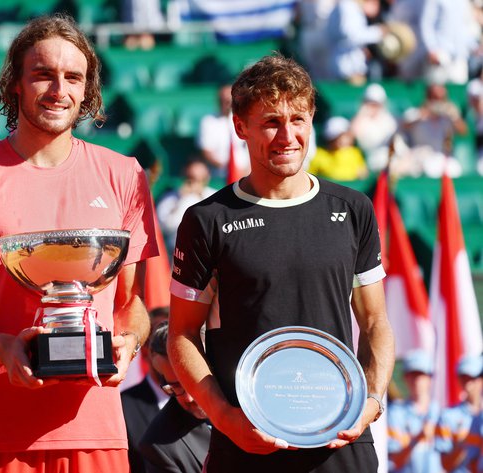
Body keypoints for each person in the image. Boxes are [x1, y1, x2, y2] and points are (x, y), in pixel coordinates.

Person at [0, 13, 158, 473]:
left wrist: (129, 341)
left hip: (98, 430)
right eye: (43, 75)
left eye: (72, 77)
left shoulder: (124, 175)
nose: (58, 90)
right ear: (15, 85)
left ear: (87, 90)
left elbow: (131, 303)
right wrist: (0, 348)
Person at [167, 54, 394, 471]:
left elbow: (376, 323)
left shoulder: (353, 209)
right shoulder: (207, 220)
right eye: (271, 121)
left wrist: (373, 402)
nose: (287, 136)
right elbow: (181, 334)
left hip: (341, 441)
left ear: (311, 121)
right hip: (247, 443)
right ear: (240, 127)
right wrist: (225, 418)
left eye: (298, 120)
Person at [139, 321, 210, 473]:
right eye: (176, 387)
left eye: (193, 382)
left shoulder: (254, 400)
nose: (189, 398)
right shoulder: (159, 446)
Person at [121, 307, 171, 473]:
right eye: (159, 340)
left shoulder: (209, 398)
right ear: (144, 350)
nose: (169, 349)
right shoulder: (123, 407)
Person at [387, 349, 442, 473]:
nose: (416, 380)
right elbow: (395, 460)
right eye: (412, 375)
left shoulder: (441, 413)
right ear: (405, 377)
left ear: (430, 377)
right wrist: (417, 438)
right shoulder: (394, 413)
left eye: (421, 375)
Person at [398, 81, 468, 177]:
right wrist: (423, 113)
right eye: (434, 97)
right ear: (428, 97)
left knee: (454, 169)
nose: (438, 102)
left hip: (442, 157)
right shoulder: (416, 113)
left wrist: (454, 116)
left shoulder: (448, 117)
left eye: (441, 99)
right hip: (420, 157)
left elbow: (464, 131)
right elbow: (404, 125)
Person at [156, 159, 216, 257]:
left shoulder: (214, 196)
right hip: (178, 253)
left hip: (207, 252)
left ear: (207, 178)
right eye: (190, 178)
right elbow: (164, 226)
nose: (194, 183)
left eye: (199, 179)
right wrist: (181, 199)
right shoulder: (170, 198)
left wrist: (200, 196)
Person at [435, 354, 483, 473]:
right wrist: (464, 445)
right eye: (464, 378)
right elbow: (445, 464)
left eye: (472, 378)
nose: (468, 384)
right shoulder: (447, 416)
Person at [196, 83, 249, 181]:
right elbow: (206, 151)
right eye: (223, 100)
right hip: (219, 174)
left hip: (246, 173)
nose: (227, 104)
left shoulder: (243, 120)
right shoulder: (208, 121)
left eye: (229, 100)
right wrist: (229, 168)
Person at [350, 83, 399, 172]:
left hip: (393, 159)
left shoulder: (388, 119)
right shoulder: (361, 119)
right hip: (372, 160)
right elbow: (352, 136)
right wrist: (361, 114)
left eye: (376, 103)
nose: (373, 106)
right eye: (370, 103)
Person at [308, 116, 369, 181]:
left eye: (345, 136)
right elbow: (310, 176)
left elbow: (363, 171)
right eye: (336, 136)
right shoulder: (319, 155)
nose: (341, 140)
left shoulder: (355, 153)